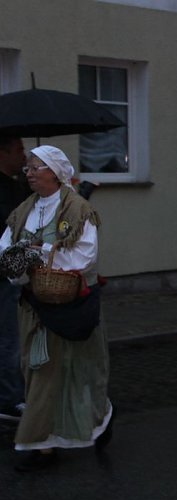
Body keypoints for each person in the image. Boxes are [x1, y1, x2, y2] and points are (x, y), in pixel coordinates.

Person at [0, 145, 112, 472]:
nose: (29, 172)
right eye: (29, 167)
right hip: (36, 307)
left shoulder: (77, 209)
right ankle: (41, 444)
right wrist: (17, 258)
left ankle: (100, 416)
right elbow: (6, 246)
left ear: (55, 172)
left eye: (37, 167)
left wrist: (41, 252)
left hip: (71, 307)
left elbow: (84, 257)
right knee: (39, 370)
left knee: (81, 372)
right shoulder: (24, 210)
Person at [0, 136, 29, 423]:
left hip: (8, 271)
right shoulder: (6, 189)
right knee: (8, 339)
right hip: (4, 273)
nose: (25, 155)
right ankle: (9, 400)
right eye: (19, 149)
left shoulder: (14, 184)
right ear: (3, 152)